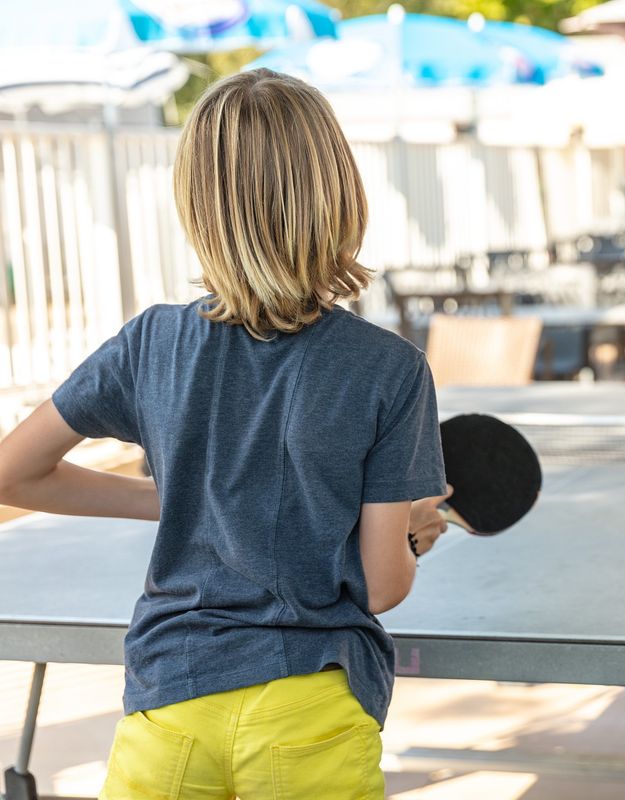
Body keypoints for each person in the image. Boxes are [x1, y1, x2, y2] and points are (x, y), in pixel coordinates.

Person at [0, 69, 451, 799]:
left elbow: (11, 473)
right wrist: (409, 536)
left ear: (196, 205)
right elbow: (381, 586)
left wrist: (181, 499)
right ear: (340, 195)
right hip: (312, 709)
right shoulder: (390, 369)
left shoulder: (150, 343)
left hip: (168, 705)